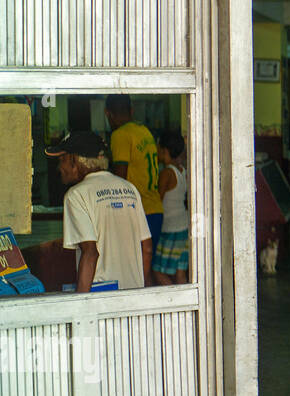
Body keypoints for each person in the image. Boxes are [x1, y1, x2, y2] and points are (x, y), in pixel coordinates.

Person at [46, 131, 152, 292]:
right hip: (132, 297)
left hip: (101, 297)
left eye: (62, 160)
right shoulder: (129, 188)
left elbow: (90, 253)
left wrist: (81, 305)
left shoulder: (76, 195)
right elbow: (147, 248)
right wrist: (139, 290)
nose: (59, 168)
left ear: (75, 160)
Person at [105, 95, 163, 280]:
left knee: (136, 273)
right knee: (147, 269)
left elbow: (119, 177)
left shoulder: (120, 135)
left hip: (137, 213)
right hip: (155, 209)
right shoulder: (144, 131)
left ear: (108, 114)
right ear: (131, 111)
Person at [152, 129, 189, 285]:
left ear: (164, 151)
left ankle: (175, 301)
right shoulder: (183, 171)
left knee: (158, 271)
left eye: (158, 149)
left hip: (171, 228)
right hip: (184, 226)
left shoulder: (167, 173)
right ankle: (186, 307)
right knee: (180, 273)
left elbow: (157, 200)